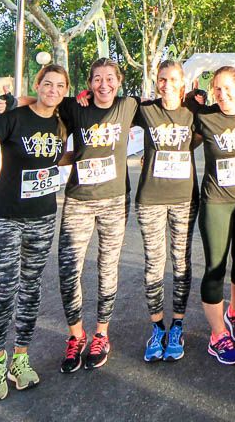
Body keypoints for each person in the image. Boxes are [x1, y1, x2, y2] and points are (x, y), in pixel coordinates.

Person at [0, 64, 70, 403]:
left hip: (42, 217)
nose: (53, 90)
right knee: (6, 288)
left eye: (60, 86)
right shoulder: (13, 118)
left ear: (65, 91)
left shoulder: (61, 124)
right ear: (37, 86)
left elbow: (60, 159)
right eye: (48, 84)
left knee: (31, 289)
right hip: (3, 216)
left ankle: (20, 359)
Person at [49, 59, 138, 373]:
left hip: (115, 201)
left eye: (110, 78)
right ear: (88, 83)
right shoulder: (76, 107)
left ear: (119, 81)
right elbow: (42, 104)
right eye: (97, 79)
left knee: (107, 267)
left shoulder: (128, 106)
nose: (104, 85)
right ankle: (76, 335)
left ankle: (101, 334)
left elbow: (169, 110)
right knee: (68, 269)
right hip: (79, 200)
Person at [192, 66, 235, 365]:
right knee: (215, 267)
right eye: (216, 89)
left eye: (227, 88)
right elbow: (179, 132)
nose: (221, 94)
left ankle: (234, 312)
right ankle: (218, 334)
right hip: (215, 202)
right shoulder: (205, 116)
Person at [134, 60, 199, 362]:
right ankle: (158, 326)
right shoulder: (145, 110)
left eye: (173, 79)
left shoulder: (193, 113)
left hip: (184, 199)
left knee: (181, 262)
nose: (167, 84)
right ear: (156, 81)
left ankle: (178, 325)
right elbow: (102, 107)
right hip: (150, 199)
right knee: (154, 264)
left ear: (183, 84)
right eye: (162, 79)